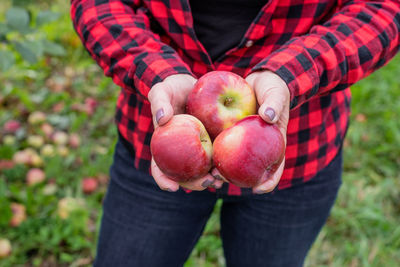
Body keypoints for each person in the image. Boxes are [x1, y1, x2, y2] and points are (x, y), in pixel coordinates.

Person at [70, 0, 400, 266]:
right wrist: (158, 73)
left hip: (295, 149)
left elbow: (383, 8)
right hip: (162, 142)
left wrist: (291, 74)